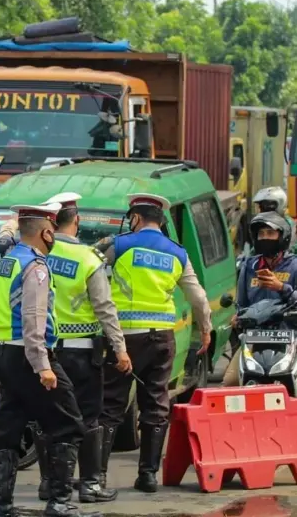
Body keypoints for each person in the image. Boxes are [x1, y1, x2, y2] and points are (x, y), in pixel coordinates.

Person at [0, 202, 98, 517]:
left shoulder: (8, 260)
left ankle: (1, 507)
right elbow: (34, 319)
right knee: (69, 423)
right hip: (30, 354)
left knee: (8, 427)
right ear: (47, 232)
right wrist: (44, 367)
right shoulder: (35, 266)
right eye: (51, 232)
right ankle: (60, 503)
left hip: (5, 352)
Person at [99, 193, 212, 493]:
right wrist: (206, 329)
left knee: (111, 403)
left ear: (135, 218)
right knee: (156, 401)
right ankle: (148, 475)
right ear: (161, 221)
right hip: (162, 337)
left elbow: (92, 276)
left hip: (125, 337)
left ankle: (96, 476)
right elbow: (198, 297)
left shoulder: (120, 245)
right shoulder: (177, 253)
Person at [32, 192, 131, 504]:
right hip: (81, 354)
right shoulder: (88, 259)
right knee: (88, 417)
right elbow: (105, 308)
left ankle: (49, 483)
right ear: (76, 221)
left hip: (46, 352)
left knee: (49, 416)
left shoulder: (39, 254)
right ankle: (89, 484)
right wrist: (120, 348)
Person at [224, 212, 297, 386]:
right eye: (261, 234)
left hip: (290, 338)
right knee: (230, 383)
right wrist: (238, 316)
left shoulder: (294, 266)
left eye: (270, 233)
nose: (265, 238)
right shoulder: (249, 266)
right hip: (255, 340)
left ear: (283, 236)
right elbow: (242, 303)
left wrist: (281, 288)